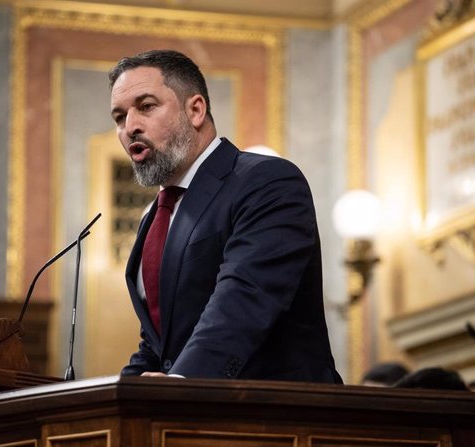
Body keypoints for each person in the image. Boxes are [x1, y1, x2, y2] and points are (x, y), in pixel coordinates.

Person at [109, 49, 341, 383]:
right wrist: (112, 398)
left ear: (196, 109)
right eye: (119, 117)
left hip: (277, 417)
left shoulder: (266, 181)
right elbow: (159, 345)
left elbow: (243, 300)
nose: (130, 126)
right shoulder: (156, 217)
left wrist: (182, 384)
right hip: (190, 418)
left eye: (146, 107)